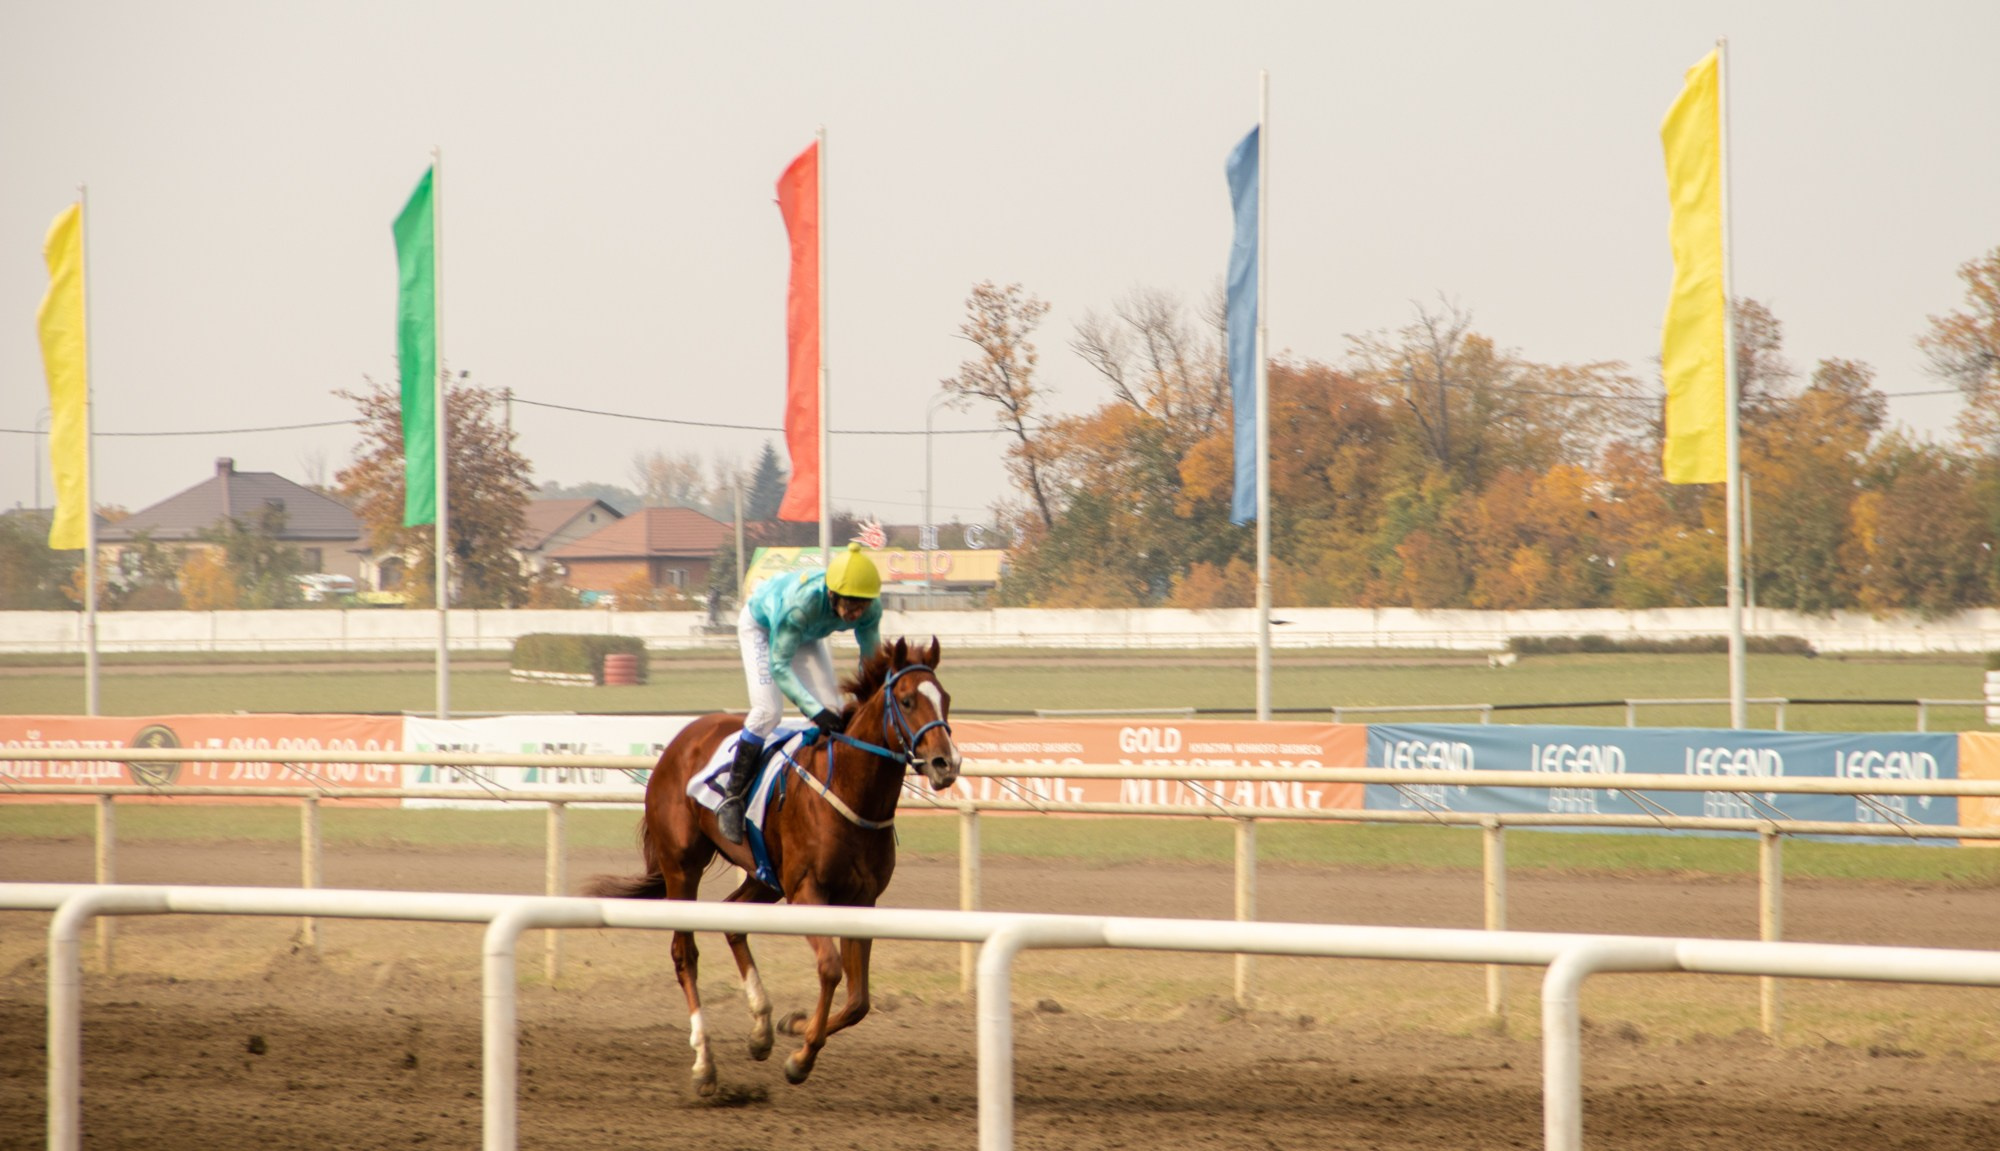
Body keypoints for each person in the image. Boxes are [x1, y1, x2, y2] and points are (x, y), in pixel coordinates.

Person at [717, 541, 884, 844]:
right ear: (832, 595)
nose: (855, 613)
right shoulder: (801, 604)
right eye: (849, 605)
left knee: (835, 711)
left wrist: (868, 704)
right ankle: (732, 796)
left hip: (807, 635)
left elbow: (871, 665)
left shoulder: (870, 609)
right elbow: (780, 666)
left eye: (862, 606)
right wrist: (814, 711)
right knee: (768, 712)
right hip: (763, 627)